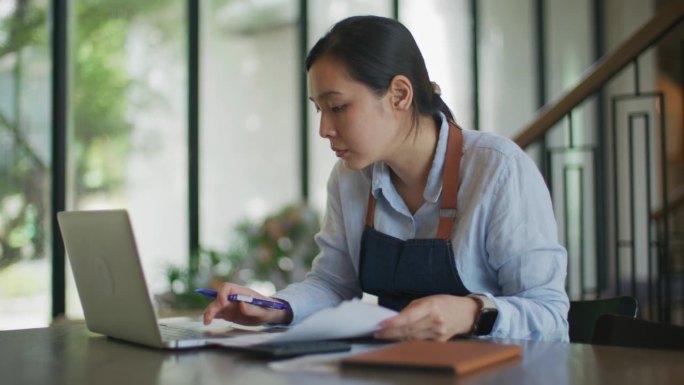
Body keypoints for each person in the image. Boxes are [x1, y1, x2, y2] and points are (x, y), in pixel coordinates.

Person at [203, 15, 569, 342]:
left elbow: (550, 315)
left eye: (338, 107)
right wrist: (278, 307)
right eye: (318, 109)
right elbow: (333, 283)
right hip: (391, 368)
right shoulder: (349, 180)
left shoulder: (499, 170)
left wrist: (472, 312)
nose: (324, 129)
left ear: (399, 94)